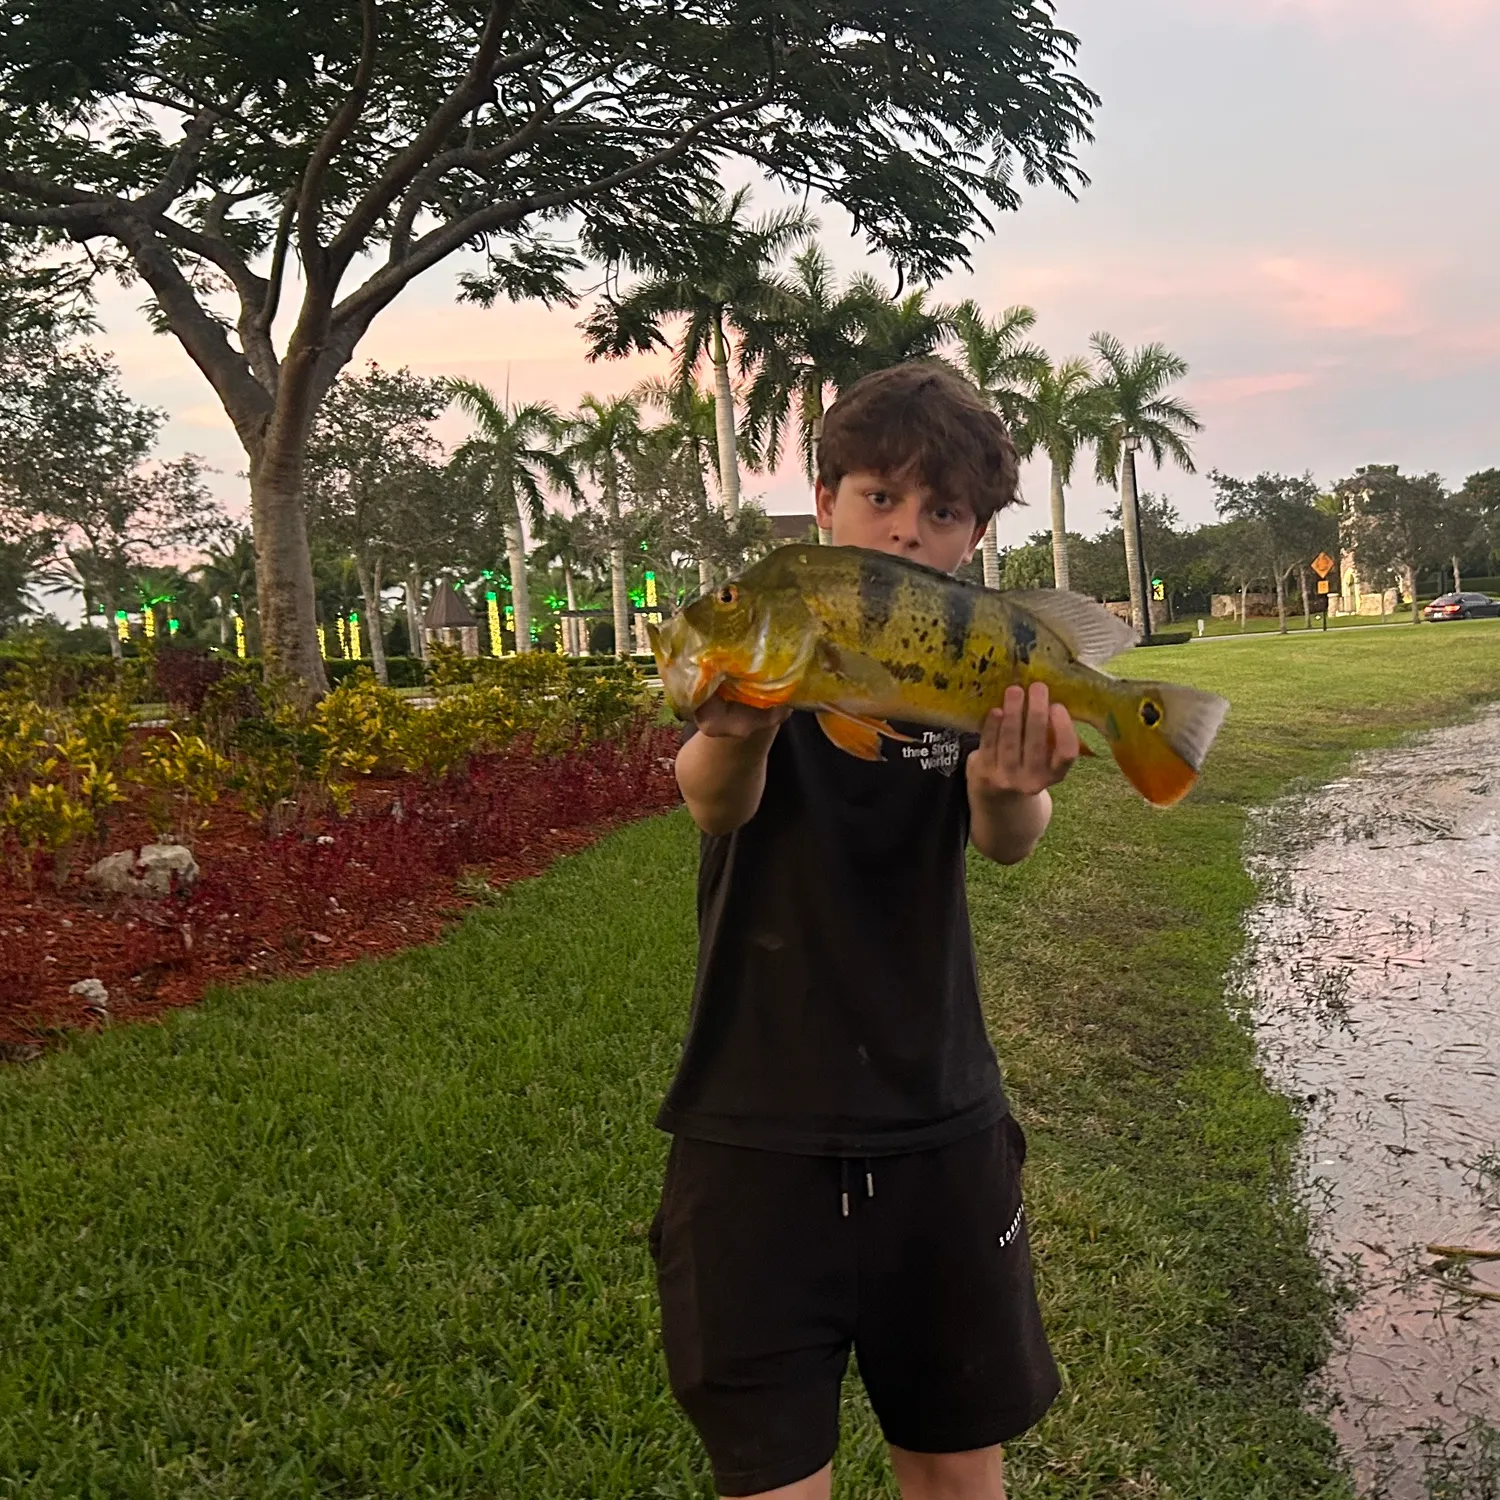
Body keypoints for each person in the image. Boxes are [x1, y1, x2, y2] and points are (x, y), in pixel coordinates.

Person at [650, 361, 1079, 1500]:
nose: (904, 531)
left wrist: (1007, 787)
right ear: (826, 500)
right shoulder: (774, 643)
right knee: (772, 1476)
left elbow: (1009, 837)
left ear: (974, 538)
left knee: (955, 1469)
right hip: (752, 1137)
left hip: (940, 1123)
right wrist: (743, 726)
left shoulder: (967, 658)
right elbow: (713, 799)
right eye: (880, 497)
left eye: (942, 513)